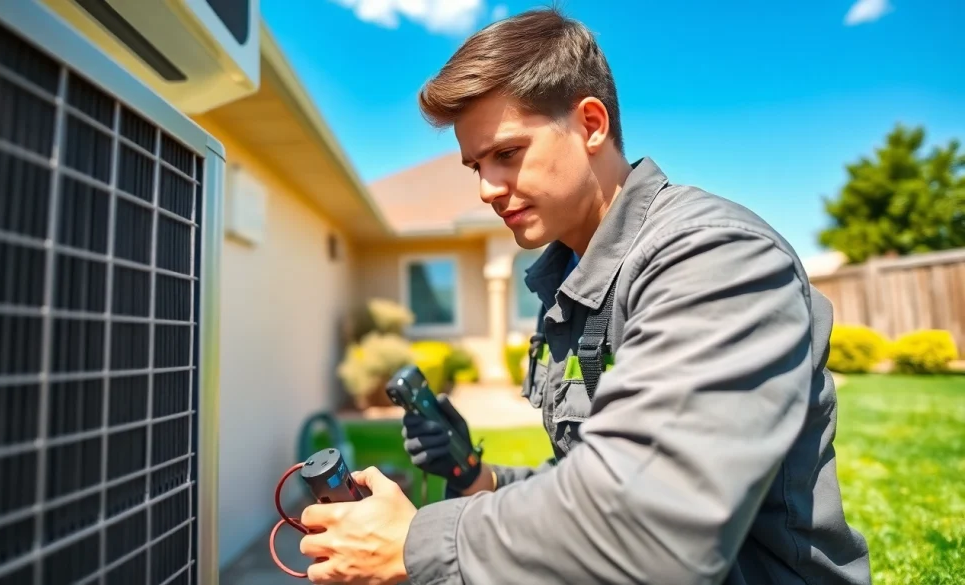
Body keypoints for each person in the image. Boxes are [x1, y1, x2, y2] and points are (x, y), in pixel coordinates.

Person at [297, 8, 872, 585]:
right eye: (475, 165)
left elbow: (654, 525)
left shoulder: (714, 258)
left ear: (591, 124)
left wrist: (415, 545)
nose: (486, 189)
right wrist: (478, 477)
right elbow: (587, 477)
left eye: (506, 153)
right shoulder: (572, 284)